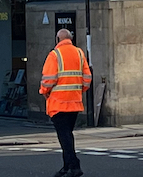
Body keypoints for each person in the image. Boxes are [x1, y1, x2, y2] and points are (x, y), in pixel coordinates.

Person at [41, 28, 92, 177]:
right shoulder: (79, 53)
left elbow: (48, 80)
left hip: (58, 103)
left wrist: (44, 91)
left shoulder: (54, 55)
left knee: (64, 136)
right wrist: (78, 90)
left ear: (57, 39)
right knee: (67, 135)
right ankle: (66, 166)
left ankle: (74, 166)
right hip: (74, 102)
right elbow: (87, 78)